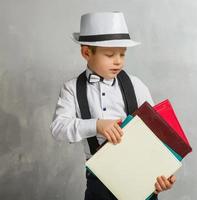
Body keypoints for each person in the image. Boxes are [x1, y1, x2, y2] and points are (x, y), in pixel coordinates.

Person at [50, 12, 176, 200]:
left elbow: (158, 134)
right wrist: (96, 125)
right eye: (109, 55)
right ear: (86, 53)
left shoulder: (136, 85)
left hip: (140, 175)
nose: (118, 61)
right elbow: (58, 128)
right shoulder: (71, 89)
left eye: (122, 54)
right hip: (99, 182)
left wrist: (165, 172)